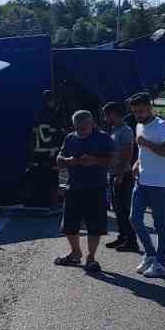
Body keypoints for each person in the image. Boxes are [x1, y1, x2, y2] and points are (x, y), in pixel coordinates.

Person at [54, 110, 113, 272]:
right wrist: (67, 161)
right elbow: (59, 159)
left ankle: (91, 257)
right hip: (74, 187)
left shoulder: (103, 138)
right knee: (69, 224)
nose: (81, 131)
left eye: (84, 128)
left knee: (95, 225)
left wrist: (94, 160)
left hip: (96, 188)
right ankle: (75, 252)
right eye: (78, 128)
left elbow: (113, 159)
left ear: (92, 124)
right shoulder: (70, 138)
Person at [129, 93, 165, 278]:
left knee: (159, 224)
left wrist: (146, 144)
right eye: (135, 112)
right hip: (142, 180)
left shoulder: (161, 126)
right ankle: (150, 253)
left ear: (150, 107)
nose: (138, 115)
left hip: (159, 183)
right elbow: (143, 150)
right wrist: (138, 163)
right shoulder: (139, 125)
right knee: (134, 218)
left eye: (141, 111)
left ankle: (160, 263)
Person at [102, 102, 139, 253]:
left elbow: (127, 154)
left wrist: (120, 174)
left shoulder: (125, 131)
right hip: (114, 173)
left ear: (113, 114)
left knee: (124, 209)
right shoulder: (114, 130)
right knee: (117, 209)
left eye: (106, 115)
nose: (105, 119)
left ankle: (131, 241)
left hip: (123, 175)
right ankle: (122, 236)